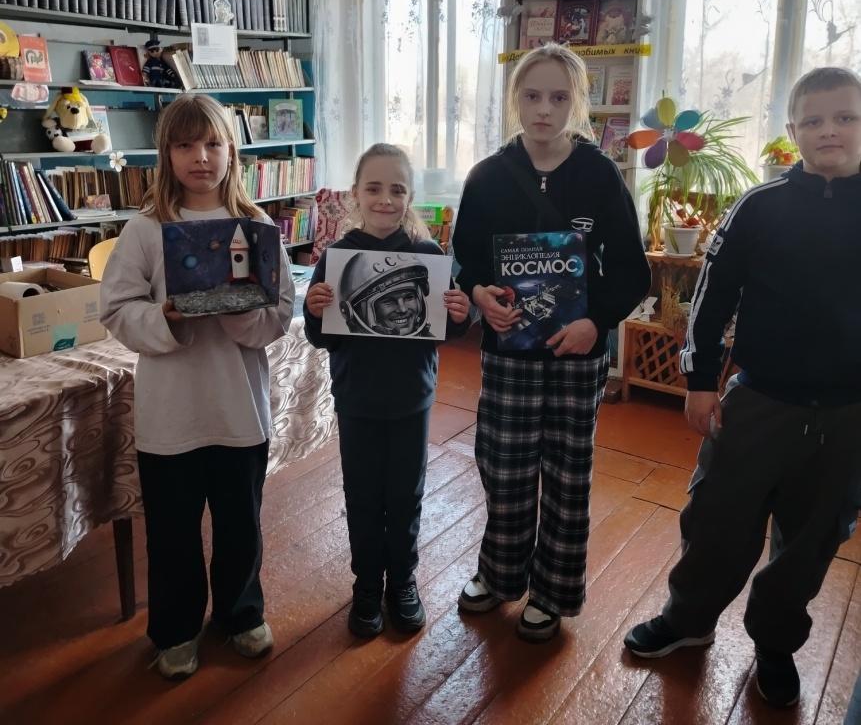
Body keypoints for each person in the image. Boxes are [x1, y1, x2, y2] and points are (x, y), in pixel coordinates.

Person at [623, 67, 861, 709]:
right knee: (717, 521)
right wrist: (700, 382)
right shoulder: (760, 206)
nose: (830, 130)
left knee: (811, 539)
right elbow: (711, 295)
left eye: (845, 117)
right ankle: (688, 619)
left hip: (848, 414)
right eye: (814, 120)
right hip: (757, 401)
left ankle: (776, 643)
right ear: (793, 130)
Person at [452, 43, 651, 642]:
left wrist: (598, 322)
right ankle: (499, 573)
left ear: (578, 102)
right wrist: (480, 294)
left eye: (559, 97)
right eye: (533, 96)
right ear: (515, 99)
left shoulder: (600, 175)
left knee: (568, 475)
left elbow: (632, 271)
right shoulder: (488, 176)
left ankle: (553, 592)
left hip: (576, 353)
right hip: (508, 351)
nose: (544, 109)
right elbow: (466, 259)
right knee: (504, 467)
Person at [100, 94, 295, 680]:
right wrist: (166, 316)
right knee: (172, 534)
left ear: (231, 150)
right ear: (166, 154)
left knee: (241, 526)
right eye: (185, 145)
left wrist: (240, 314)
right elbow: (116, 310)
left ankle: (241, 614)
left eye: (212, 143)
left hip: (239, 411)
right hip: (171, 417)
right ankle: (176, 629)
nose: (200, 157)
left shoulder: (258, 227)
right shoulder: (145, 229)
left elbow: (280, 313)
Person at [303, 143, 470, 638]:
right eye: (373, 188)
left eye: (397, 190)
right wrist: (314, 310)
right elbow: (321, 337)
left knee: (405, 494)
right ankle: (366, 585)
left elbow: (444, 329)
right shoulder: (336, 257)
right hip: (356, 398)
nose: (385, 199)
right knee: (361, 495)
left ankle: (402, 580)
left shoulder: (428, 255)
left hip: (411, 399)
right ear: (355, 193)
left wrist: (462, 315)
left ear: (410, 196)